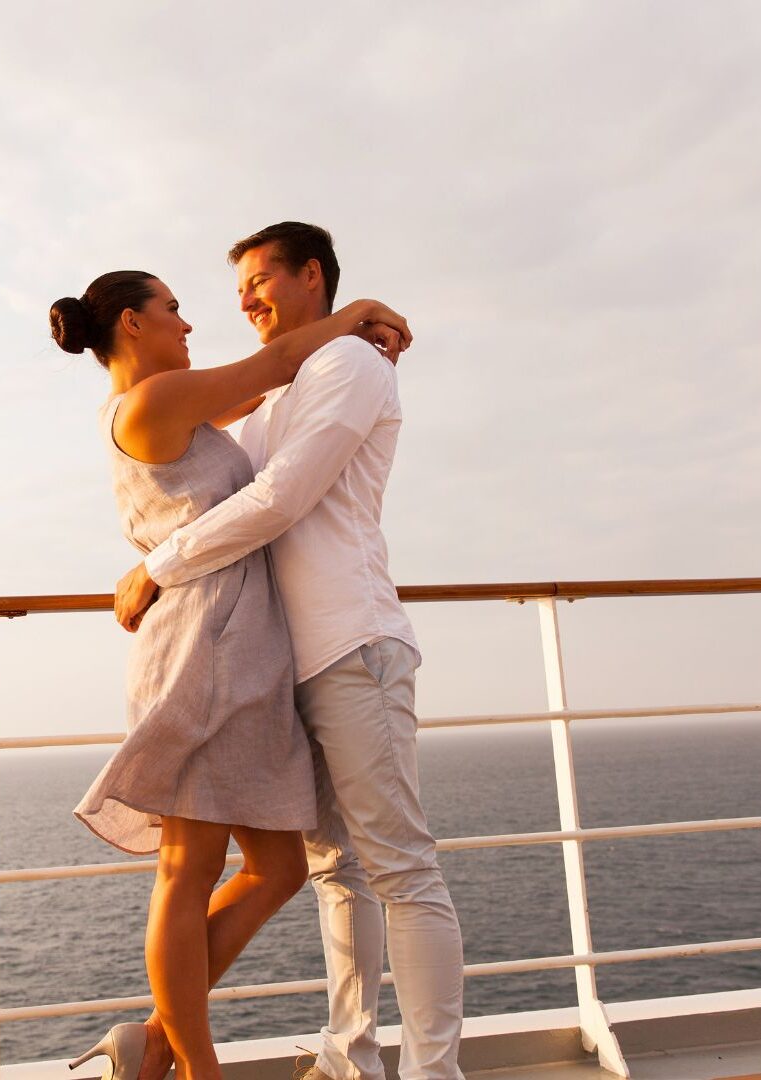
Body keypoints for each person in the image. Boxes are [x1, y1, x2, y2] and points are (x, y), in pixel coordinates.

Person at [115, 223, 466, 1080]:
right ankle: (350, 1057)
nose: (243, 299)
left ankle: (431, 1073)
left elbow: (279, 499)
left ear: (312, 275)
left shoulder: (349, 364)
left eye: (260, 277)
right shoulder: (283, 388)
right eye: (236, 287)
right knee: (337, 870)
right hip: (284, 665)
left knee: (399, 870)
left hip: (351, 644)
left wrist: (154, 567)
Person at [50, 270, 413, 1080]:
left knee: (277, 866)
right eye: (172, 309)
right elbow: (278, 360)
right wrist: (360, 313)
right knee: (188, 867)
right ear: (132, 325)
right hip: (206, 643)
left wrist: (349, 358)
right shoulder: (151, 404)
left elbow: (280, 398)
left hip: (240, 640)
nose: (188, 322)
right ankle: (196, 1067)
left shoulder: (179, 406)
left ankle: (154, 1038)